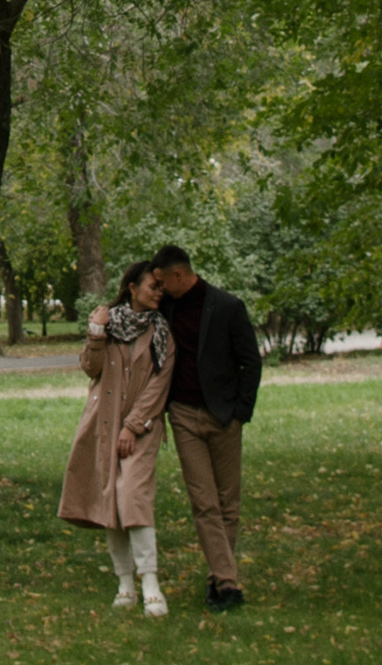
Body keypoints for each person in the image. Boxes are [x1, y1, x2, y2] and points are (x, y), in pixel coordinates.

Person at [150, 243, 262, 613]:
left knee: (228, 503)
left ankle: (217, 577)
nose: (160, 289)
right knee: (204, 502)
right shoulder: (165, 308)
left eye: (163, 282)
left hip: (223, 417)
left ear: (179, 275)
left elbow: (251, 362)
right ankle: (228, 584)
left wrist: (240, 413)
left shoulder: (228, 307)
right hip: (183, 416)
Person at [57, 259, 173, 616]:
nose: (159, 292)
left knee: (132, 497)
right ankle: (125, 583)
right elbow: (90, 369)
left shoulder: (162, 332)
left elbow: (159, 385)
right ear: (133, 288)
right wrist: (95, 333)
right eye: (153, 286)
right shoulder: (108, 322)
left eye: (161, 286)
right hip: (102, 425)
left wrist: (133, 425)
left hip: (143, 429)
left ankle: (150, 581)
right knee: (109, 500)